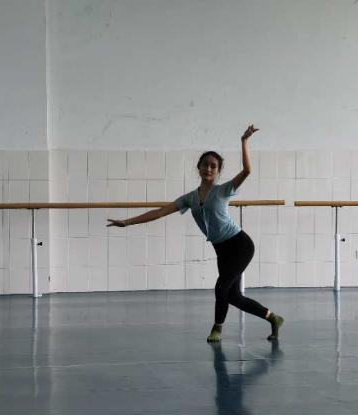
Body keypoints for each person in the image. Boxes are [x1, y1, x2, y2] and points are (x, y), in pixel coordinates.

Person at [107, 125, 284, 343]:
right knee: (233, 296)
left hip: (240, 245)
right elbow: (160, 212)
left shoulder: (223, 190)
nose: (208, 168)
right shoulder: (190, 198)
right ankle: (273, 318)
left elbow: (247, 171)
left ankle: (217, 329)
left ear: (218, 171)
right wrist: (126, 222)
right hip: (222, 250)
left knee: (221, 288)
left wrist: (244, 141)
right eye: (205, 165)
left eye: (213, 166)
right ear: (198, 168)